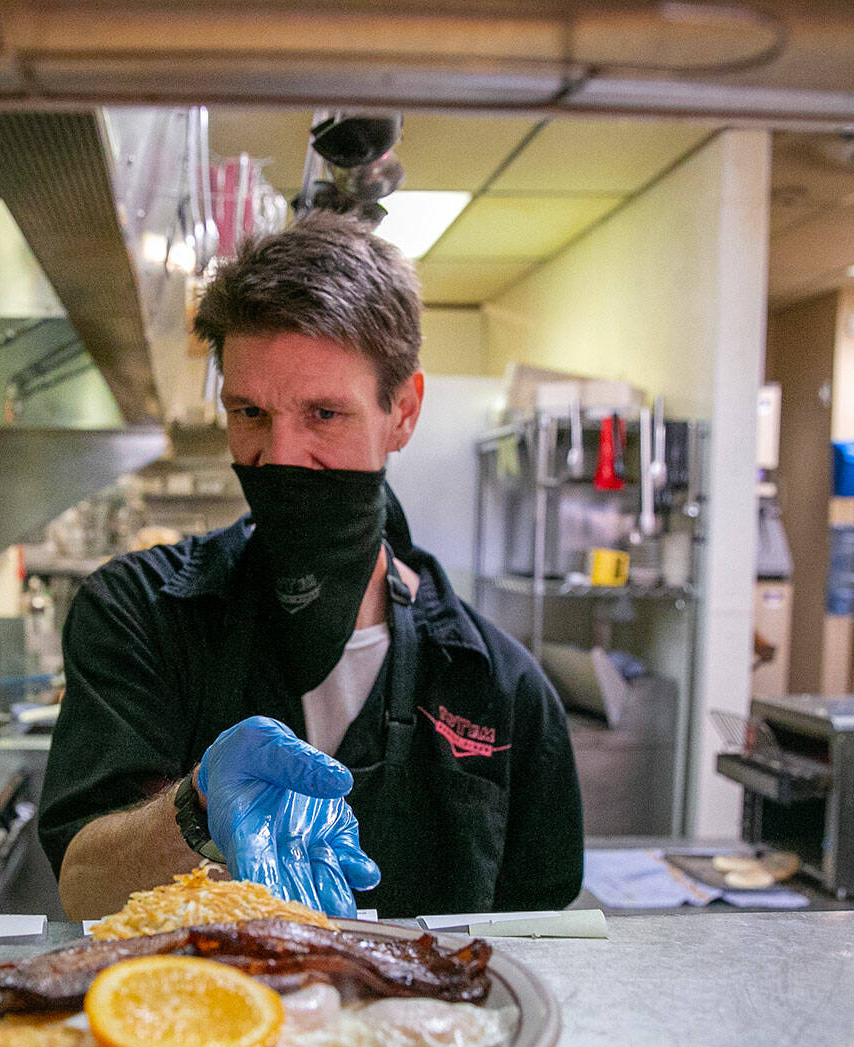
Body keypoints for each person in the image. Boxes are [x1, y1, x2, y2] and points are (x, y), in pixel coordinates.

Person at [39, 213, 584, 919]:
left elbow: (535, 953)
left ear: (404, 412)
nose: (283, 454)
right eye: (250, 412)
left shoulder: (503, 694)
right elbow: (82, 886)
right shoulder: (138, 614)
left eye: (324, 413)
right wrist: (193, 807)